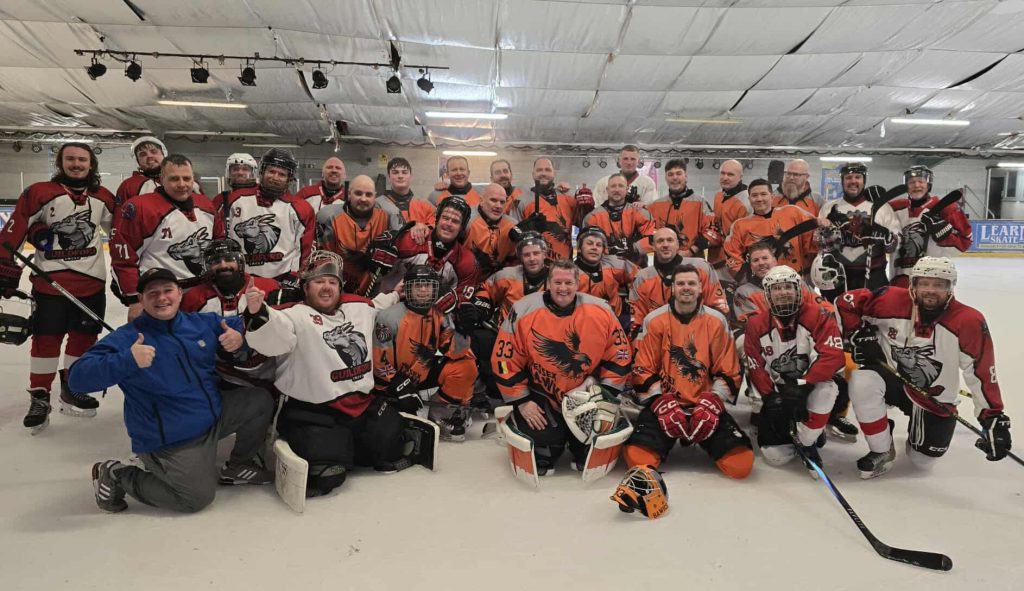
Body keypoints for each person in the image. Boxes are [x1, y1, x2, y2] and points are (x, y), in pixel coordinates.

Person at [71, 267, 274, 514]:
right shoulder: (128, 339)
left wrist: (242, 333)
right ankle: (117, 474)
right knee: (194, 499)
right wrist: (127, 360)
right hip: (172, 438)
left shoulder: (199, 323)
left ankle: (238, 466)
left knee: (259, 400)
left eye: (168, 290)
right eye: (152, 293)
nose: (162, 298)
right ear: (141, 299)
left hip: (213, 415)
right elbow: (77, 378)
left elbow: (240, 325)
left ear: (179, 293)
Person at [243, 251, 426, 497]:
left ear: (340, 287)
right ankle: (305, 447)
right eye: (319, 282)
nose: (326, 287)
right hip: (313, 412)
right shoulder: (292, 315)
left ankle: (346, 448)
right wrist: (257, 314)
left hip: (360, 406)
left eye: (332, 282)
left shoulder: (357, 307)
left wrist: (396, 292)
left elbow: (377, 305)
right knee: (328, 476)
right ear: (306, 287)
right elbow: (272, 339)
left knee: (390, 448)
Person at [836, 256, 1012, 479]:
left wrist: (992, 417)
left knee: (922, 461)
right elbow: (846, 303)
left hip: (933, 397)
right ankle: (881, 448)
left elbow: (981, 372)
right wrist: (858, 335)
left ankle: (919, 436)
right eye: (924, 283)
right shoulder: (888, 300)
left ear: (951, 287)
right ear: (913, 284)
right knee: (862, 381)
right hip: (891, 378)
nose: (930, 290)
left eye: (939, 284)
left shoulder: (968, 320)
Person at [0, 142, 115, 432]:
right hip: (50, 283)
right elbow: (16, 228)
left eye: (82, 159)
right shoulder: (40, 192)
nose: (76, 164)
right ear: (60, 163)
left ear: (91, 164)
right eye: (70, 159)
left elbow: (122, 232)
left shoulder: (103, 196)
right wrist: (5, 267)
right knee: (46, 340)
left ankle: (72, 387)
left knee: (84, 339)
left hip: (91, 283)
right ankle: (40, 396)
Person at [617, 263, 752, 488]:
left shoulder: (716, 320)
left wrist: (714, 400)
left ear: (700, 288)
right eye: (680, 283)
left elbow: (729, 369)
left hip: (704, 404)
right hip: (665, 404)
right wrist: (659, 401)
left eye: (691, 283)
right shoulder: (654, 320)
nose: (686, 288)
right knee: (638, 461)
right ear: (672, 288)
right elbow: (642, 368)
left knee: (741, 465)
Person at [492, 259, 633, 475]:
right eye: (557, 282)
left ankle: (577, 443)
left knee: (589, 443)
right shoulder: (523, 309)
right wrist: (521, 401)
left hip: (586, 394)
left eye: (568, 283)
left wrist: (606, 394)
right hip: (542, 393)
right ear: (548, 283)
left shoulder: (602, 310)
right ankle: (551, 437)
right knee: (544, 445)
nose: (563, 288)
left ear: (578, 283)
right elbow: (503, 361)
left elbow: (621, 354)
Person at [744, 265, 845, 473]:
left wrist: (805, 384)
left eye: (788, 287)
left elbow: (833, 356)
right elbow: (755, 365)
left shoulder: (819, 315)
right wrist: (770, 397)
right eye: (776, 288)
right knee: (776, 457)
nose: (783, 292)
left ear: (799, 289)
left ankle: (808, 439)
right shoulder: (755, 324)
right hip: (779, 390)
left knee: (828, 389)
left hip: (809, 385)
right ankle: (799, 427)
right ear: (767, 294)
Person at [110, 154, 224, 321]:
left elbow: (219, 245)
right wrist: (134, 300)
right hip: (161, 296)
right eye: (174, 179)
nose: (182, 184)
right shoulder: (139, 207)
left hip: (202, 294)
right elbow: (124, 259)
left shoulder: (206, 204)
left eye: (187, 178)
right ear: (162, 179)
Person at [373, 265, 478, 441]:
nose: (423, 290)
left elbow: (456, 353)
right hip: (392, 382)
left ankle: (439, 414)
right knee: (399, 434)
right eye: (417, 285)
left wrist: (463, 330)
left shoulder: (440, 315)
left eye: (427, 285)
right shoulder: (388, 317)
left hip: (421, 373)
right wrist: (399, 386)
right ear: (408, 288)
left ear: (434, 288)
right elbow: (379, 362)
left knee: (466, 366)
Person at [180, 240, 281, 388]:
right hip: (222, 378)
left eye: (229, 259)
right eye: (216, 261)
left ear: (240, 261)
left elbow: (285, 330)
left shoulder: (269, 287)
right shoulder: (193, 298)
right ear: (208, 266)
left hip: (271, 374)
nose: (223, 265)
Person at [376, 196, 481, 331]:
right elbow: (378, 276)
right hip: (392, 308)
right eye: (445, 218)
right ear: (437, 219)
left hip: (432, 319)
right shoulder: (409, 240)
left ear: (462, 227)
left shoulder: (467, 262)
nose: (448, 224)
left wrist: (458, 303)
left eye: (455, 221)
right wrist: (377, 261)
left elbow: (462, 300)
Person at [470, 232, 551, 404]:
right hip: (504, 337)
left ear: (545, 254)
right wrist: (481, 304)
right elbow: (486, 289)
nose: (532, 259)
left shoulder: (556, 278)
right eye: (527, 255)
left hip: (539, 341)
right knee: (476, 340)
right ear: (520, 257)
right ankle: (481, 385)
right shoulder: (507, 275)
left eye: (536, 253)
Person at [223, 148, 315, 281]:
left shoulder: (301, 209)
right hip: (242, 279)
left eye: (281, 174)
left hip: (282, 279)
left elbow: (304, 250)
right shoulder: (236, 200)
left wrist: (295, 277)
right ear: (262, 171)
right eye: (271, 172)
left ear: (289, 179)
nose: (275, 178)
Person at [817, 162, 902, 295]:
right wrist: (826, 234)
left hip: (874, 276)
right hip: (837, 275)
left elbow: (895, 246)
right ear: (842, 181)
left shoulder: (882, 208)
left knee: (875, 309)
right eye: (848, 177)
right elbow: (818, 244)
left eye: (858, 177)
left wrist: (886, 236)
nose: (853, 181)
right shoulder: (828, 208)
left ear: (864, 180)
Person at [629, 227, 728, 335]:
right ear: (653, 246)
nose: (665, 245)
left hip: (700, 333)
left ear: (677, 245)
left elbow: (719, 309)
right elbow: (637, 322)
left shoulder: (701, 267)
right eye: (660, 241)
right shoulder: (642, 277)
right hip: (659, 336)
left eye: (670, 240)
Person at [888, 166, 972, 287]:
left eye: (921, 181)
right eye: (911, 182)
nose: (916, 185)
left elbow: (965, 241)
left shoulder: (946, 208)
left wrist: (945, 237)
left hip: (932, 281)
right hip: (899, 278)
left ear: (929, 185)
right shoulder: (894, 208)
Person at [321, 174, 404, 296]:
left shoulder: (389, 215)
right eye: (358, 193)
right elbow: (323, 259)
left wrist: (418, 226)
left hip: (377, 287)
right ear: (349, 194)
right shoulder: (329, 217)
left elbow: (404, 251)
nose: (363, 199)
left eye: (368, 194)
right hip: (340, 285)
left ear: (375, 196)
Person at [724, 178, 819, 277]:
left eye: (763, 194)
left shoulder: (793, 212)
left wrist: (823, 229)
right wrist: (746, 279)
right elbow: (732, 256)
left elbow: (813, 239)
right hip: (761, 283)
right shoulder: (739, 226)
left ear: (772, 196)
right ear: (749, 199)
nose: (759, 199)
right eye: (754, 195)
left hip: (795, 279)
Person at [507, 158, 581, 260]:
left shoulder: (569, 198)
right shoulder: (521, 201)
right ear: (533, 174)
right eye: (539, 170)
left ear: (554, 173)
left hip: (567, 262)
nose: (543, 173)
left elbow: (579, 230)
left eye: (547, 170)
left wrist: (586, 207)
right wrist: (525, 228)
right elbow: (512, 234)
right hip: (535, 263)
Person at [645, 158, 715, 258]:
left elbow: (712, 231)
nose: (674, 178)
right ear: (666, 178)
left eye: (678, 173)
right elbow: (647, 232)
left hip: (693, 261)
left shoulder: (700, 203)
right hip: (663, 262)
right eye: (670, 174)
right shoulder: (655, 206)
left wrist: (692, 250)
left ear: (686, 176)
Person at [582, 172, 655, 267]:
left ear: (627, 189)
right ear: (607, 190)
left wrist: (631, 247)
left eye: (621, 186)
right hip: (605, 270)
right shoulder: (592, 217)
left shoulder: (641, 213)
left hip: (637, 268)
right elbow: (586, 245)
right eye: (613, 186)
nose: (617, 190)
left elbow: (653, 239)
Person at [574, 226, 637, 320]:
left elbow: (640, 278)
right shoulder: (569, 273)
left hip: (615, 320)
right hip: (582, 321)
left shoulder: (615, 265)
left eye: (599, 245)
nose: (594, 248)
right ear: (579, 248)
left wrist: (632, 303)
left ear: (603, 250)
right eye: (589, 243)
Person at [707, 159, 751, 284]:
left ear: (740, 177)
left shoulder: (746, 201)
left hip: (736, 263)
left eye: (730, 174)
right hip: (717, 260)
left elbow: (747, 239)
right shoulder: (719, 196)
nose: (725, 177)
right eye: (722, 173)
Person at [464, 183, 519, 278]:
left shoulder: (513, 225)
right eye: (493, 200)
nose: (498, 206)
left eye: (502, 202)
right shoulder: (466, 220)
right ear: (481, 201)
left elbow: (514, 261)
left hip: (498, 278)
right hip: (467, 276)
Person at [376, 157, 435, 239]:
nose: (400, 176)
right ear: (389, 176)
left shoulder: (425, 205)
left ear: (410, 176)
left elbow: (438, 226)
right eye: (395, 172)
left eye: (404, 172)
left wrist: (426, 227)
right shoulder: (378, 204)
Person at [114, 136, 167, 214]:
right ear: (138, 161)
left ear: (164, 155)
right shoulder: (128, 186)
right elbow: (120, 216)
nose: (149, 156)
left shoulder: (178, 180)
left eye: (154, 151)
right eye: (143, 154)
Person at [593, 145, 658, 206]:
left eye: (633, 159)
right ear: (619, 161)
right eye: (625, 159)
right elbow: (598, 207)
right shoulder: (603, 183)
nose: (629, 163)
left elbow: (650, 207)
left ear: (638, 162)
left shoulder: (647, 183)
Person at [213, 153, 258, 219]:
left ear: (252, 173)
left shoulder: (262, 198)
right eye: (235, 169)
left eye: (245, 169)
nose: (240, 173)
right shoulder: (220, 200)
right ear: (229, 172)